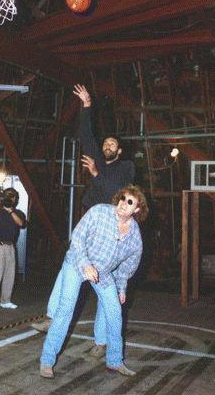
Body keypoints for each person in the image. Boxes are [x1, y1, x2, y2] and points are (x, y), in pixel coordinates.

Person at [32, 84, 136, 342]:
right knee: (71, 260)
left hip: (113, 225)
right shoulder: (97, 160)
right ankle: (52, 316)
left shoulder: (126, 168)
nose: (108, 145)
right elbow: (86, 134)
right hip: (92, 220)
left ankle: (101, 342)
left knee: (106, 280)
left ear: (119, 150)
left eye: (112, 143)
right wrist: (86, 105)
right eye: (106, 143)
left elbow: (118, 192)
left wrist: (97, 174)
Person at [39, 185, 148, 379]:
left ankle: (115, 361)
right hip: (76, 263)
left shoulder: (134, 237)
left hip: (102, 272)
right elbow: (77, 238)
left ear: (137, 209)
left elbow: (127, 266)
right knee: (66, 308)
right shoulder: (99, 212)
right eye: (122, 198)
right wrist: (85, 264)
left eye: (130, 202)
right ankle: (47, 361)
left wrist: (122, 287)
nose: (123, 203)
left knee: (115, 312)